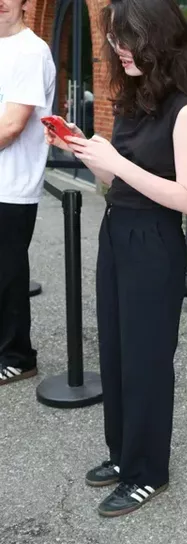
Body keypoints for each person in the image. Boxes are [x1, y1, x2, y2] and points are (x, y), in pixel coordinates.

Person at [46, 0, 187, 517]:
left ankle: (148, 472)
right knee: (117, 354)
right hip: (118, 232)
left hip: (155, 243)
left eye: (128, 38)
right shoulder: (135, 101)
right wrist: (83, 150)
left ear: (156, 38)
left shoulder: (185, 110)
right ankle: (123, 455)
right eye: (115, 39)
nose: (119, 48)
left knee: (147, 361)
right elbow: (116, 181)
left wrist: (116, 161)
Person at [0, 0, 56, 386]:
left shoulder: (32, 51)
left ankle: (18, 357)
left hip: (11, 185)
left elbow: (12, 126)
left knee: (7, 276)